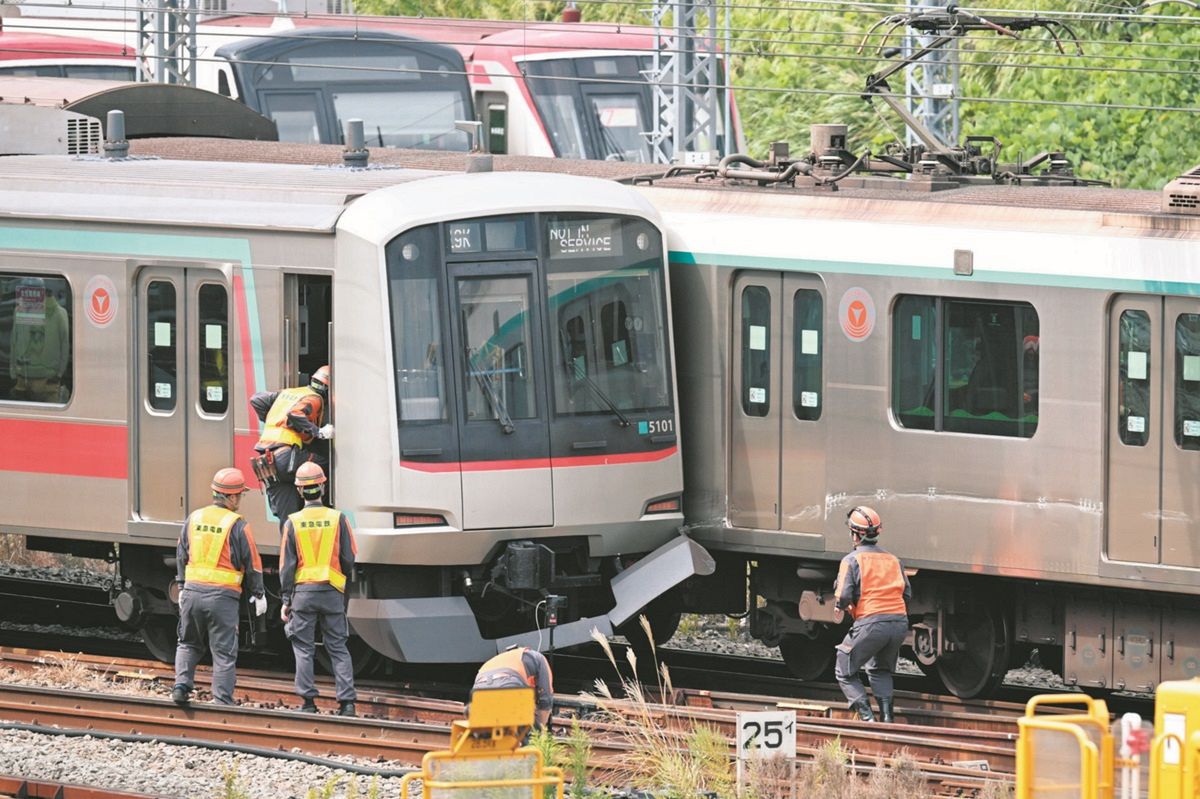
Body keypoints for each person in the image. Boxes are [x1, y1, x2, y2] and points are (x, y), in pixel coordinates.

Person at [172, 468, 266, 706]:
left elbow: (181, 553)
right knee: (223, 652)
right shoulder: (238, 525)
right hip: (222, 598)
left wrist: (182, 586)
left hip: (192, 593)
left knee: (188, 642)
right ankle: (222, 701)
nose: (240, 500)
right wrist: (259, 593)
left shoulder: (194, 518)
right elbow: (252, 563)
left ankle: (181, 688)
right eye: (240, 496)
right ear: (232, 497)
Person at [279, 462, 358, 717]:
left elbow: (286, 566)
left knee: (303, 648)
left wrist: (285, 598)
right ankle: (347, 704)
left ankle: (308, 704)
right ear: (322, 487)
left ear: (300, 491)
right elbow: (349, 557)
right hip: (332, 591)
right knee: (338, 647)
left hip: (302, 594)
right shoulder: (338, 518)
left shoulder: (293, 522)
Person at [833, 506, 911, 723]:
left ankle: (868, 719)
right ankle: (887, 720)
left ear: (855, 534)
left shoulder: (851, 560)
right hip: (898, 623)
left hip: (871, 622)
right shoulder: (894, 560)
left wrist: (843, 607)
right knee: (879, 669)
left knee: (844, 668)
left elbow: (843, 596)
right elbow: (907, 593)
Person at [250, 365, 333, 525]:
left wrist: (273, 418)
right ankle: (321, 510)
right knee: (328, 467)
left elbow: (256, 400)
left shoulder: (289, 393)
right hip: (285, 457)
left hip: (267, 462)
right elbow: (295, 414)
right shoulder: (315, 398)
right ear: (328, 389)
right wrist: (318, 432)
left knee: (288, 518)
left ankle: (288, 546)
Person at [10, 277, 69, 403]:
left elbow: (14, 342)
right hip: (38, 380)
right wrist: (59, 374)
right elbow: (65, 346)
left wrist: (13, 372)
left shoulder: (20, 311)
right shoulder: (60, 313)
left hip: (32, 379)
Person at [471, 646, 554, 730]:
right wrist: (540, 732)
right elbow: (545, 699)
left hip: (479, 687)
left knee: (487, 734)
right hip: (508, 683)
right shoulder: (539, 658)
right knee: (522, 735)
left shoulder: (503, 659)